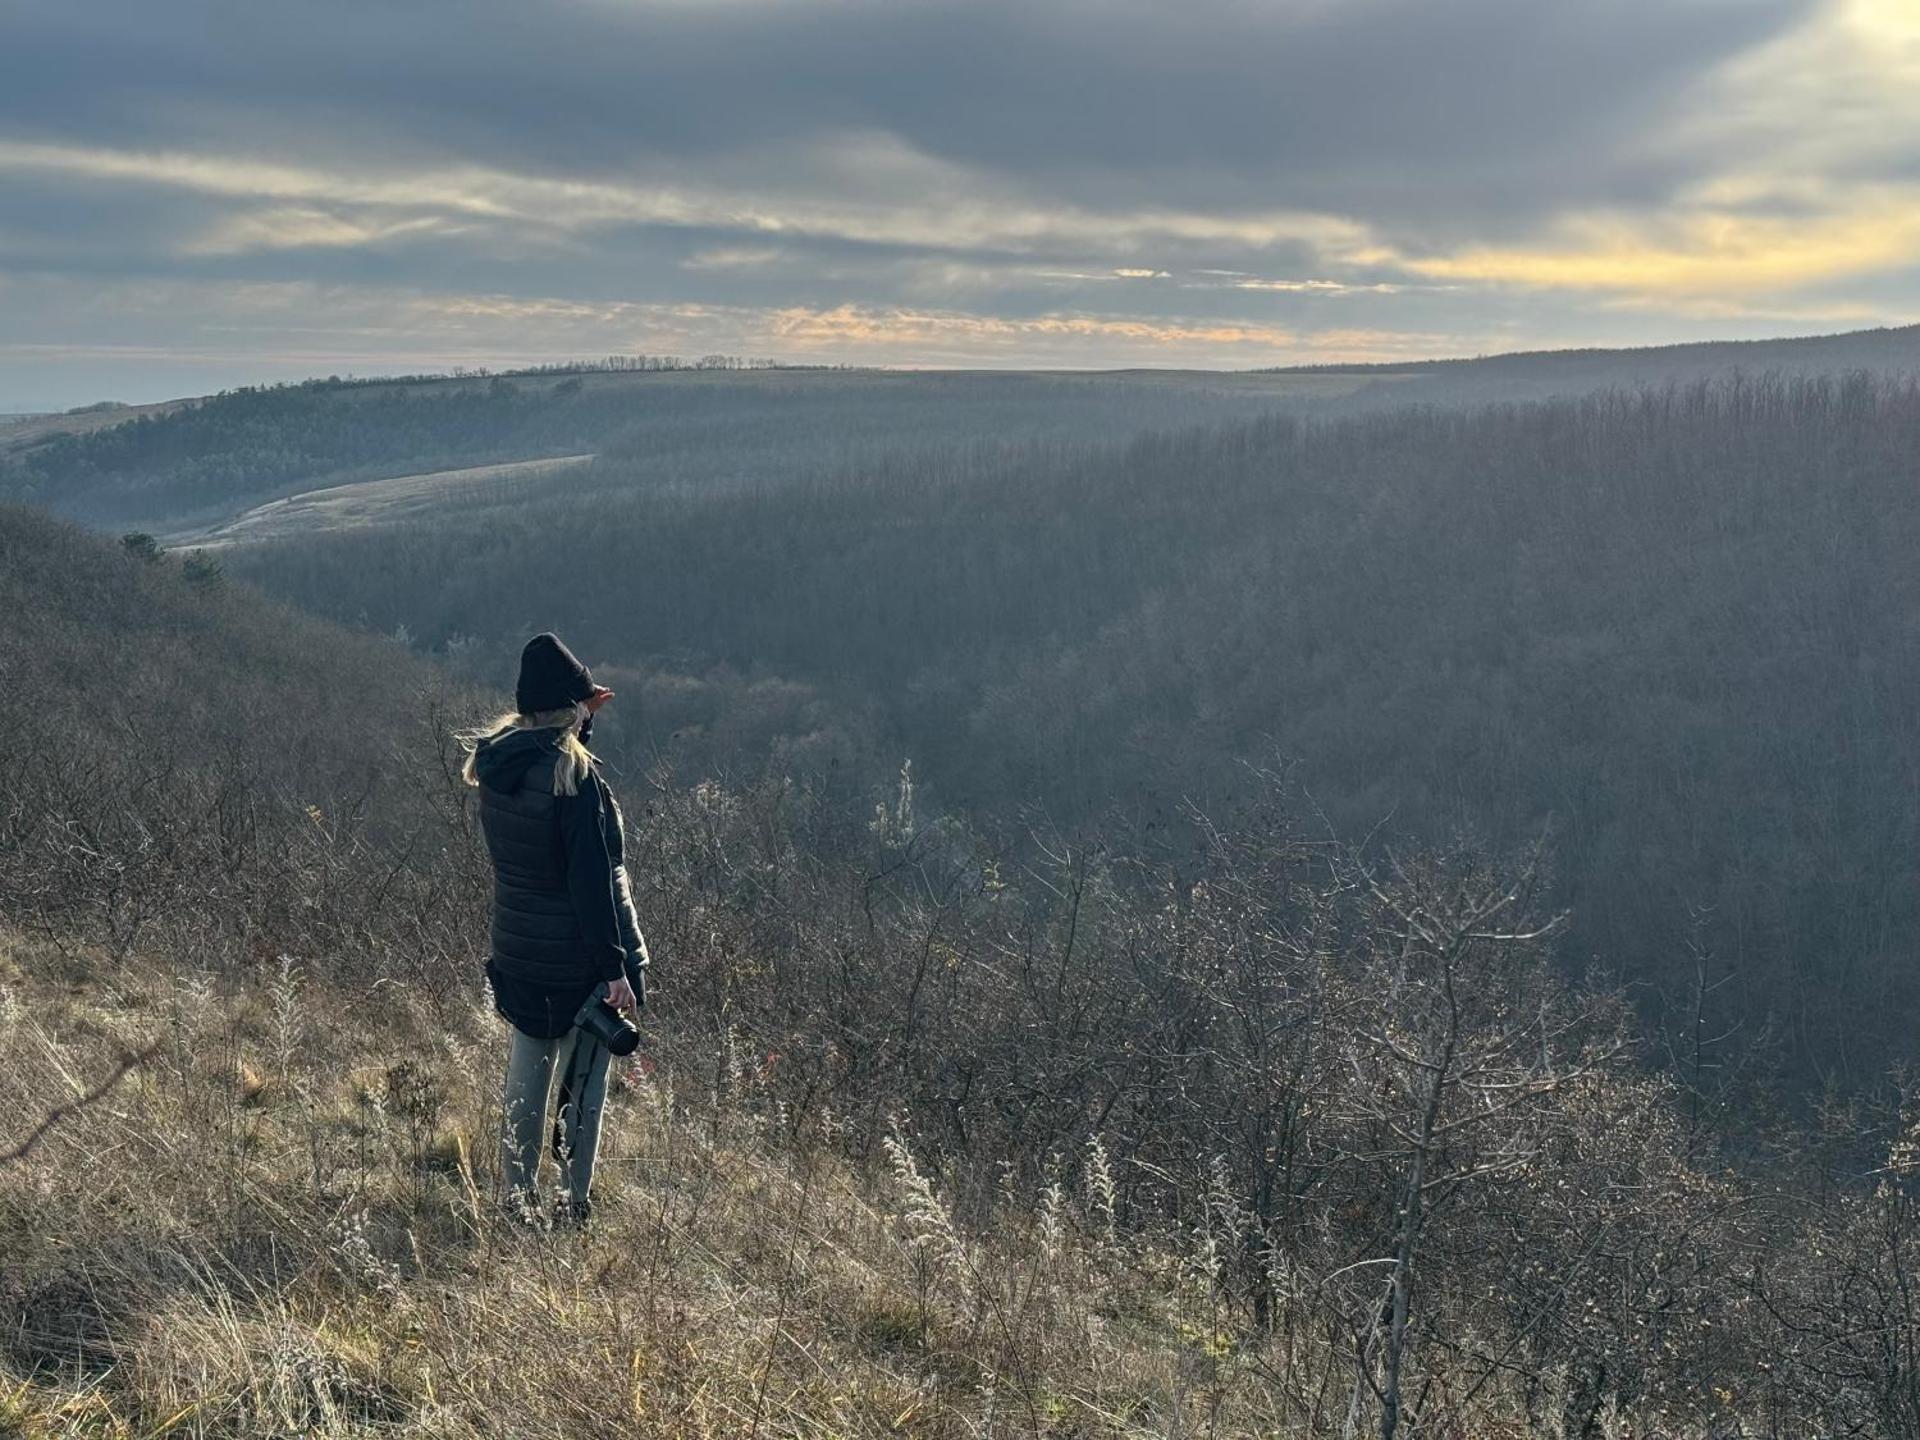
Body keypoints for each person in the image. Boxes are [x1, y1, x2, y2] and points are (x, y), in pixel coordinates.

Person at [461, 631, 650, 1225]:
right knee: (584, 1086)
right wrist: (615, 969)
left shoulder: (496, 764)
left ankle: (516, 1202)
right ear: (574, 708)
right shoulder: (574, 777)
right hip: (576, 960)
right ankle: (573, 1205)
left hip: (517, 949)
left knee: (525, 1080)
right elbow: (590, 884)